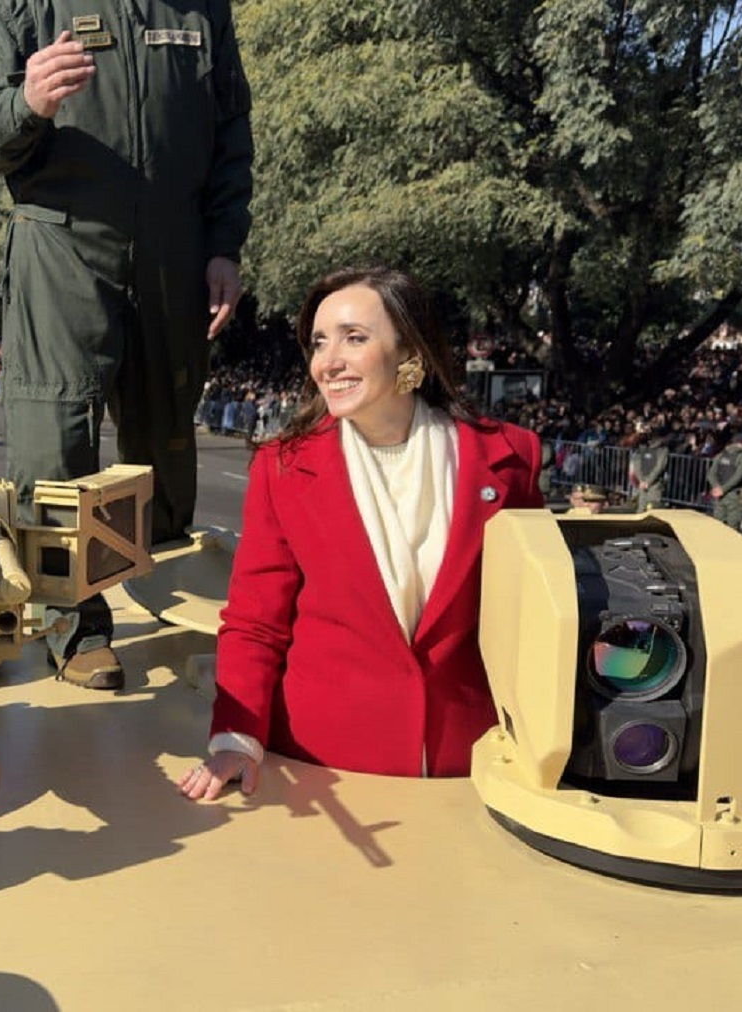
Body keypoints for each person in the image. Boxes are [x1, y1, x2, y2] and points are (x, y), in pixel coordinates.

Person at [0, 1, 253, 689]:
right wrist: (26, 102)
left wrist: (223, 244)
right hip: (62, 235)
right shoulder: (19, 6)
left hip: (178, 243)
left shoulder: (205, 7)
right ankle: (73, 626)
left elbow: (233, 132)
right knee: (58, 437)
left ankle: (172, 596)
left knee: (168, 430)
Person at [179, 267, 543, 798]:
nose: (329, 362)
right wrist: (236, 738)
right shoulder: (281, 467)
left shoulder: (510, 458)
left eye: (355, 338)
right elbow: (256, 621)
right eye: (320, 342)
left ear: (409, 351)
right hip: (322, 769)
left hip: (467, 769)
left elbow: (533, 622)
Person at [709, 432, 742, 530]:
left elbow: (711, 473)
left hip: (719, 496)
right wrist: (723, 489)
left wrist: (716, 487)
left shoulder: (721, 455)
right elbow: (739, 476)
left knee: (717, 525)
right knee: (733, 527)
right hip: (735, 495)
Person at [628, 434, 668, 512]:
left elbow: (659, 467)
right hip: (643, 484)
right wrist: (642, 481)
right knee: (641, 509)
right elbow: (636, 465)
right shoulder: (642, 449)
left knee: (652, 510)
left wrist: (646, 482)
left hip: (653, 485)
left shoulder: (662, 451)